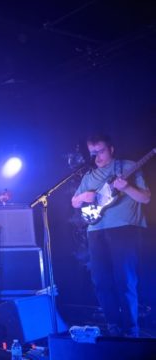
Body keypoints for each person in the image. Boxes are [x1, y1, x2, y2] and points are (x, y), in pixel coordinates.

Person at [71, 134, 151, 337]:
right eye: (93, 153)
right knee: (101, 281)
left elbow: (146, 198)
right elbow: (75, 202)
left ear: (111, 149)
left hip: (124, 228)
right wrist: (84, 196)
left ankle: (131, 330)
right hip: (95, 231)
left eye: (101, 151)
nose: (97, 157)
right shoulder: (89, 176)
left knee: (125, 281)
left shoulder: (128, 167)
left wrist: (127, 187)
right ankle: (113, 326)